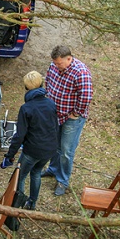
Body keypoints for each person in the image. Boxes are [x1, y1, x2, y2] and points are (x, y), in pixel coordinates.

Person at [0, 71, 60, 210]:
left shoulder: (26, 108)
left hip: (33, 150)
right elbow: (55, 127)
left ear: (26, 88)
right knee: (36, 173)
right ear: (41, 84)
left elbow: (19, 135)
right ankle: (32, 203)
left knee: (20, 177)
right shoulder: (51, 103)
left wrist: (9, 156)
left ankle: (16, 207)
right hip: (49, 149)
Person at [41, 45, 93, 196]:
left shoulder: (81, 73)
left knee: (66, 151)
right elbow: (48, 82)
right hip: (56, 114)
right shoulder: (53, 66)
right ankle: (53, 169)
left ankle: (63, 181)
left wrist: (76, 113)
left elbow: (86, 96)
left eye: (59, 63)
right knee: (55, 144)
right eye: (55, 63)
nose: (57, 66)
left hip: (71, 119)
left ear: (69, 59)